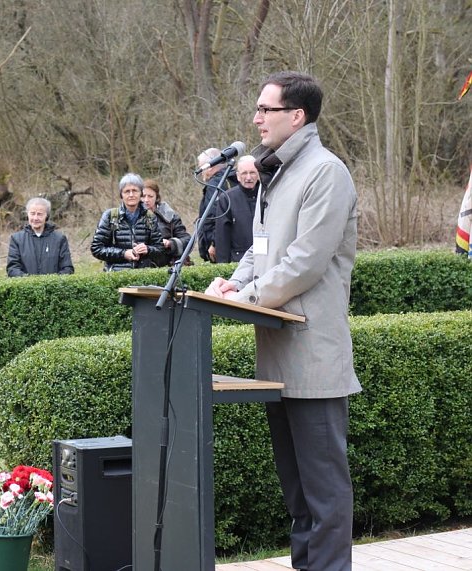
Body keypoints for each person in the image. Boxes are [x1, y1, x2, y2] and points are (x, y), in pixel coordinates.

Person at [205, 71, 359, 571]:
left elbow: (306, 262)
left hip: (313, 356)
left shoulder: (325, 173)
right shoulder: (279, 173)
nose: (255, 119)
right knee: (297, 493)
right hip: (276, 355)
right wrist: (231, 283)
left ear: (297, 116)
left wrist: (246, 296)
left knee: (324, 492)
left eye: (265, 110)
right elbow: (262, 248)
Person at [90, 173, 164, 271]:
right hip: (116, 275)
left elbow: (160, 249)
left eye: (135, 191)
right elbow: (96, 248)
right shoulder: (110, 216)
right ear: (121, 194)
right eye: (127, 191)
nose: (131, 195)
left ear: (141, 193)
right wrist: (123, 254)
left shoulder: (150, 217)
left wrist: (148, 249)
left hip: (144, 275)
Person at [6, 197, 74, 277]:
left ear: (47, 216)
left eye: (40, 214)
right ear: (27, 214)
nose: (35, 218)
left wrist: (53, 283)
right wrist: (30, 282)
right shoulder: (17, 239)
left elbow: (67, 268)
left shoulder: (59, 239)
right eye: (32, 213)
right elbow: (12, 269)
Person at [213, 155, 259, 263]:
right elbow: (222, 236)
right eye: (244, 173)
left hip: (264, 259)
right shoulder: (227, 198)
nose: (248, 177)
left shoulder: (267, 194)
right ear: (238, 176)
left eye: (252, 172)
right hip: (238, 260)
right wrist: (223, 266)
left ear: (258, 174)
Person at [141, 179, 192, 266]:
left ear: (157, 197)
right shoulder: (132, 216)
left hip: (167, 264)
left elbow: (187, 240)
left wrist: (171, 243)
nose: (146, 200)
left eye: (150, 196)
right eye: (143, 196)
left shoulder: (169, 216)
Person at [196, 147, 234, 262]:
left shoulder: (215, 185)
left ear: (210, 166)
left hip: (220, 248)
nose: (201, 171)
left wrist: (214, 243)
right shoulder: (233, 179)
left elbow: (215, 216)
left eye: (202, 167)